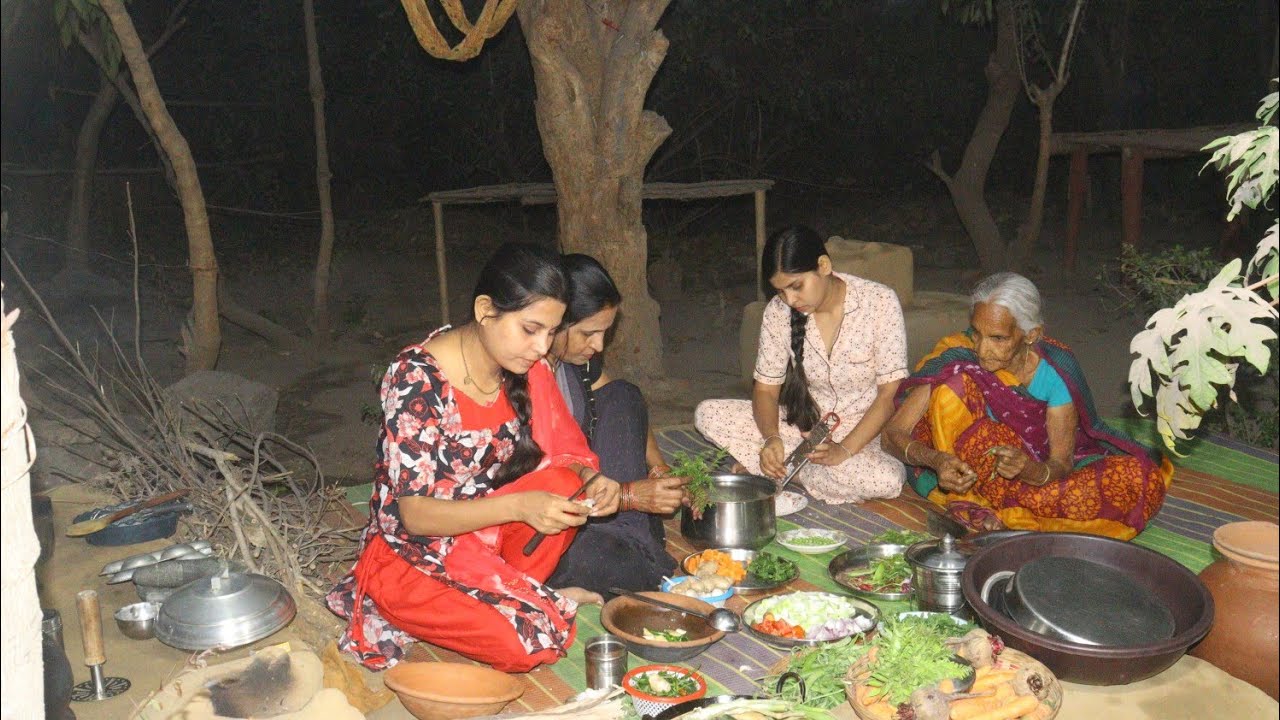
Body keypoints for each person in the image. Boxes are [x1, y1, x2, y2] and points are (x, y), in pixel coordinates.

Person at [326, 242, 621, 673]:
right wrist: (519, 505)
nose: (542, 347)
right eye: (530, 328)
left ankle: (519, 593)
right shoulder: (417, 379)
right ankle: (488, 601)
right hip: (411, 553)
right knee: (528, 646)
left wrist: (593, 481)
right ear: (485, 310)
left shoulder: (520, 364)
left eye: (550, 332)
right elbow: (417, 518)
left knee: (566, 487)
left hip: (481, 539)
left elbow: (563, 453)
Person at [883, 272, 1173, 540]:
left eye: (998, 338)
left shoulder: (1055, 372)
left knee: (1136, 479)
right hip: (966, 473)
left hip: (1033, 473)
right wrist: (936, 461)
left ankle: (1001, 514)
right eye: (977, 334)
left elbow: (1060, 463)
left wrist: (1031, 471)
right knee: (951, 389)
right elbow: (891, 435)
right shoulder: (957, 358)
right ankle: (984, 507)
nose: (983, 349)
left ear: (1031, 335)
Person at [695, 226, 908, 504]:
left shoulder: (878, 302)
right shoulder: (778, 312)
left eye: (796, 287)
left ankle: (790, 472)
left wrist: (842, 451)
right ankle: (791, 466)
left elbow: (888, 396)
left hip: (864, 438)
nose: (790, 300)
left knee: (887, 480)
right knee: (707, 414)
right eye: (780, 291)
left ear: (823, 265)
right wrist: (772, 438)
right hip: (802, 431)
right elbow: (766, 391)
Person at [542, 254, 684, 596]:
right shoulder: (520, 375)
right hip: (549, 515)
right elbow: (542, 477)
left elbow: (625, 411)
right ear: (555, 321)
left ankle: (629, 542)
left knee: (623, 394)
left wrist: (659, 468)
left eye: (604, 332)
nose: (599, 345)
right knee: (619, 563)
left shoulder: (571, 361)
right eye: (589, 333)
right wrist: (629, 497)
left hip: (593, 496)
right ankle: (632, 546)